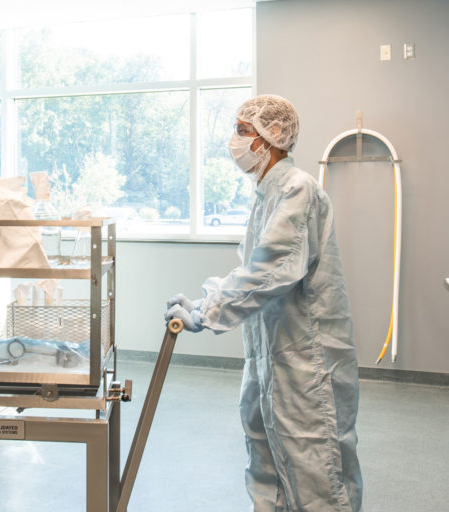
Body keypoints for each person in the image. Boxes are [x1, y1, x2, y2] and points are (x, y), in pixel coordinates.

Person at [165, 94, 363, 512]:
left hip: (306, 362)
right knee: (265, 461)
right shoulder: (266, 196)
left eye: (242, 131)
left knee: (315, 473)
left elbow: (271, 271)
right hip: (270, 355)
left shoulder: (298, 189)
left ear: (270, 138)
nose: (234, 141)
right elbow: (251, 268)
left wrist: (207, 314)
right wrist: (207, 298)